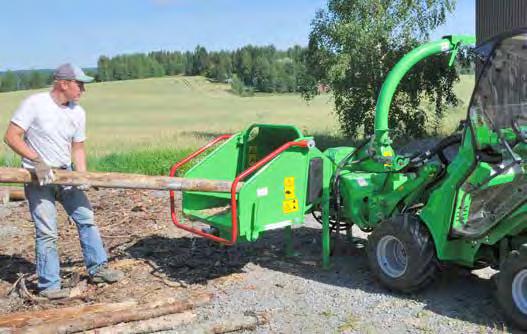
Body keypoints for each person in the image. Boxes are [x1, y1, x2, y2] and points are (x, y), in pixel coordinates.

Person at [3, 63, 123, 299]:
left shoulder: (78, 112)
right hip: (37, 177)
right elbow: (11, 136)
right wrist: (36, 161)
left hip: (66, 174)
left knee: (86, 218)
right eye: (79, 85)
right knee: (47, 231)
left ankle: (98, 268)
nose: (83, 90)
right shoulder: (35, 104)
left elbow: (78, 147)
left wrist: (82, 176)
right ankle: (50, 286)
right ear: (63, 83)